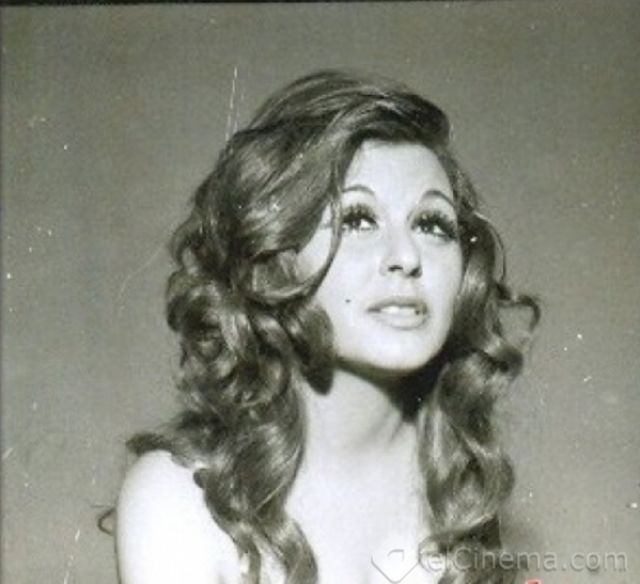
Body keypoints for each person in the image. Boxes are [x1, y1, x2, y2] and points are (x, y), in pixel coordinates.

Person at [115, 70, 539, 584]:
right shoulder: (181, 501)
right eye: (358, 220)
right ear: (273, 257)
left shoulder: (462, 499)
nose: (406, 256)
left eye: (432, 224)